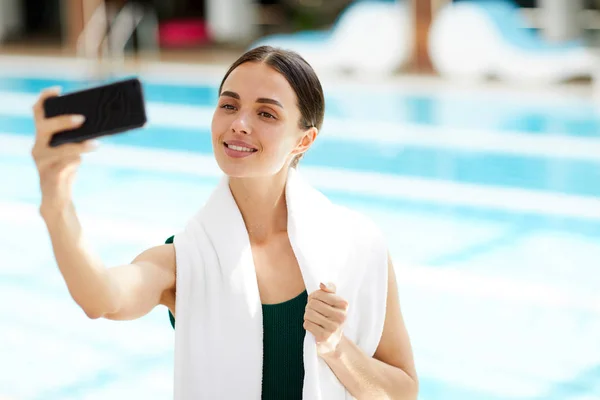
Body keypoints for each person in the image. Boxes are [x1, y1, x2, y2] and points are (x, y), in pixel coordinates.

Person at [31, 45, 418, 399]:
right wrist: (57, 203)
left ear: (304, 141)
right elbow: (103, 299)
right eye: (229, 106)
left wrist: (336, 348)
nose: (240, 124)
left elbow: (403, 392)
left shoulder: (357, 246)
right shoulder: (184, 259)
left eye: (266, 113)